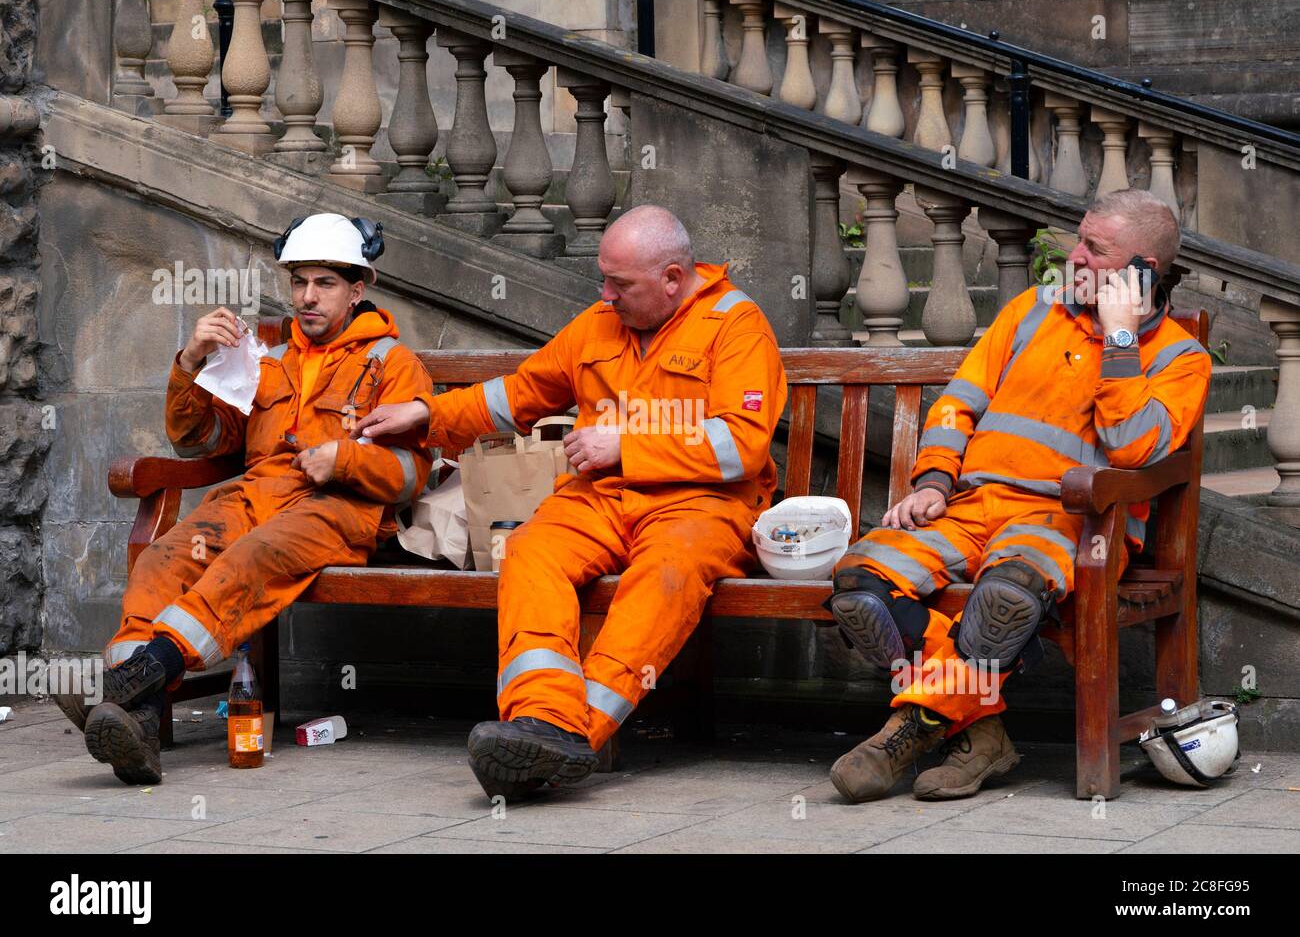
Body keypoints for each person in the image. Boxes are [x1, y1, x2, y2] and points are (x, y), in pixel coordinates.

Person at [354, 205, 788, 801]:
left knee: (666, 573)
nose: (605, 295)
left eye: (620, 284)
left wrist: (626, 445)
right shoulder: (597, 323)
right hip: (601, 500)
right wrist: (430, 414)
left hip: (701, 506)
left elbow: (742, 444)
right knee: (530, 552)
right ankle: (540, 720)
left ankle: (572, 733)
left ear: (671, 277)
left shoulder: (737, 325)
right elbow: (521, 393)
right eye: (603, 279)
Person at [825, 189, 1211, 803]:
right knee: (858, 588)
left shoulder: (1181, 358)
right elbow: (959, 402)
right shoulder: (1034, 309)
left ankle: (909, 729)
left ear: (1143, 271)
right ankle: (983, 733)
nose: (1075, 255)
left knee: (1004, 600)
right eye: (1079, 239)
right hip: (969, 506)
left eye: (1096, 249)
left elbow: (1134, 447)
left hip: (1073, 523)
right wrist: (932, 481)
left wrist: (1119, 341)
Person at [57, 213, 434, 785]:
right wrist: (189, 362)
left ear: (358, 290)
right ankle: (135, 717)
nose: (308, 297)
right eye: (299, 281)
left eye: (325, 283)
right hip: (254, 496)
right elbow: (200, 441)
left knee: (247, 559)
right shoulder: (268, 360)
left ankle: (131, 683)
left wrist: (345, 459)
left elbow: (410, 475)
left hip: (336, 508)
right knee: (162, 557)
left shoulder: (392, 365)